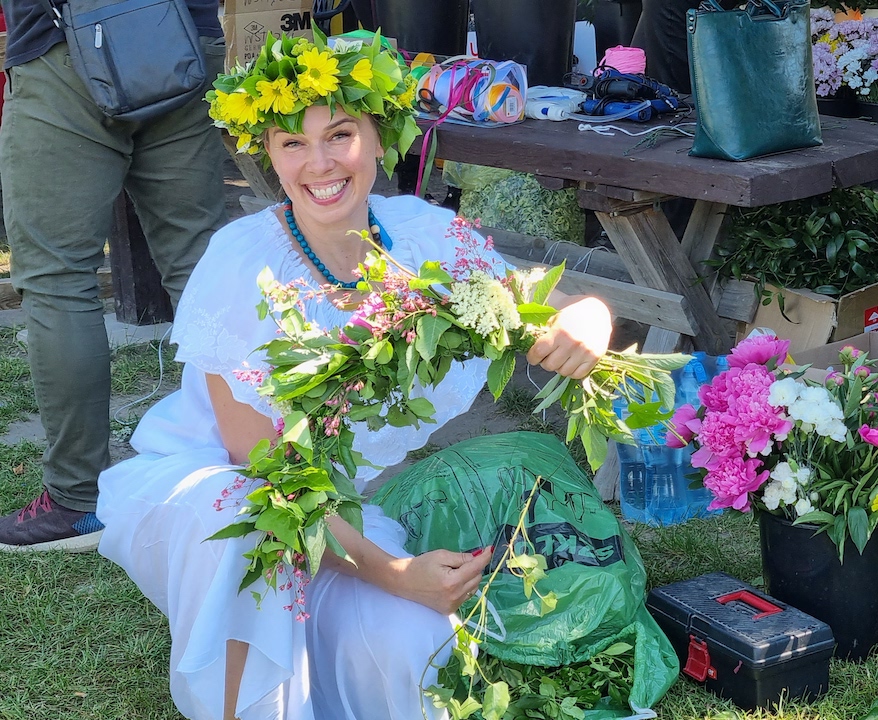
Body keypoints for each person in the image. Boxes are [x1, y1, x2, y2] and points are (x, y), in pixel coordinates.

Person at [92, 37, 614, 720]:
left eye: (340, 134)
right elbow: (267, 475)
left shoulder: (423, 238)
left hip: (336, 508)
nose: (320, 164)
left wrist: (591, 321)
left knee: (415, 639)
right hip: (218, 499)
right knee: (254, 538)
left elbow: (549, 304)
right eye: (291, 143)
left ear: (381, 138)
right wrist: (395, 573)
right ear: (269, 156)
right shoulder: (239, 263)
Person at [0, 0, 229, 551]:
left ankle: (79, 500)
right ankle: (252, 467)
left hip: (64, 44)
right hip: (180, 32)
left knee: (58, 277)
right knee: (204, 266)